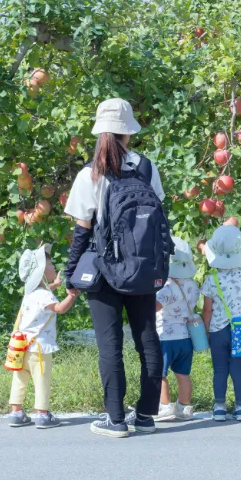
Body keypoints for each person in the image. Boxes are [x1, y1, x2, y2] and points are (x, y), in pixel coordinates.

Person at [63, 98, 167, 439]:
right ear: (129, 132)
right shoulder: (148, 168)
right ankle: (148, 415)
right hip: (142, 267)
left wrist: (70, 274)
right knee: (147, 339)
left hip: (105, 270)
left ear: (100, 132)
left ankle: (116, 419)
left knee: (110, 345)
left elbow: (82, 230)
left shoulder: (89, 174)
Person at [8, 244, 77, 429]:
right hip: (39, 348)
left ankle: (16, 413)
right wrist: (71, 295)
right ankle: (42, 415)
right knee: (42, 380)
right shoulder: (45, 296)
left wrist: (53, 286)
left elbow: (43, 298)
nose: (54, 267)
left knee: (20, 378)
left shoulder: (30, 293)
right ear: (41, 272)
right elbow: (59, 309)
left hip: (21, 347)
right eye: (51, 265)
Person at [201, 225, 241, 422]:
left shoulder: (211, 280)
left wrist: (206, 331)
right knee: (238, 369)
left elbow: (207, 310)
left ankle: (219, 407)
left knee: (220, 369)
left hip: (218, 331)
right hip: (239, 330)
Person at [154, 236, 200, 422]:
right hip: (185, 336)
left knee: (160, 374)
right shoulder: (192, 284)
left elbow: (155, 307)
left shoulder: (166, 287)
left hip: (165, 336)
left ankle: (165, 407)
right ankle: (183, 408)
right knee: (183, 374)